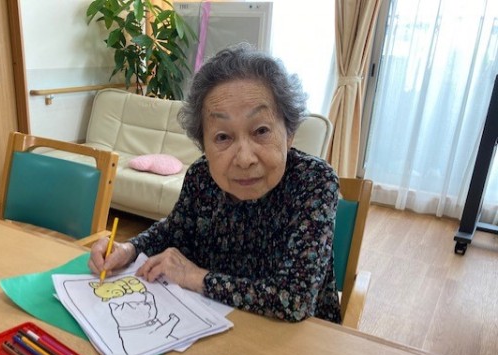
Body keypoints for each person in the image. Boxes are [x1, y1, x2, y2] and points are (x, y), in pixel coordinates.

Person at [89, 43, 340, 323]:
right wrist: (129, 249)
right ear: (204, 145)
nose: (244, 159)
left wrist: (194, 276)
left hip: (297, 336)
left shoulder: (313, 181)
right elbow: (174, 230)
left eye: (261, 131)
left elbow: (294, 299)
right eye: (222, 137)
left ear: (289, 133)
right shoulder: (201, 176)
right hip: (209, 320)